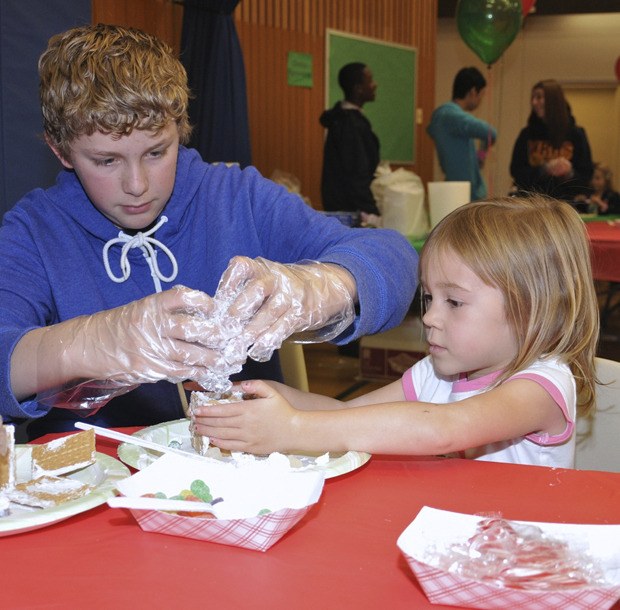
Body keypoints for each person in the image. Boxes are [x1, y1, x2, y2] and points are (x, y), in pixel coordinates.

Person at [0, 24, 419, 440]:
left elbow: (393, 256)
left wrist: (324, 285)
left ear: (179, 127)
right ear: (61, 151)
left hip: (240, 471)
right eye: (106, 161)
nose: (137, 184)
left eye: (156, 152)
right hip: (95, 480)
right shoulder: (35, 231)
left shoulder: (237, 198)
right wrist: (93, 342)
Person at [194, 195, 599, 469]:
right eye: (428, 298)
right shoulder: (436, 374)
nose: (428, 318)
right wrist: (273, 397)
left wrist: (292, 429)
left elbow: (441, 431)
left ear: (532, 309)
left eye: (453, 302)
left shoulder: (542, 387)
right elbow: (346, 415)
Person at [510, 79, 593, 202]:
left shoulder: (576, 134)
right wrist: (544, 169)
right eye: (533, 98)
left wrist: (569, 172)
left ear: (553, 100)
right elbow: (516, 171)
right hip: (532, 203)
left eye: (539, 97)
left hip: (565, 204)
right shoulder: (527, 134)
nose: (534, 102)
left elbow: (586, 175)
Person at [319, 62, 381, 222]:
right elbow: (356, 173)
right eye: (370, 81)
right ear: (358, 88)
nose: (375, 85)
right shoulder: (350, 125)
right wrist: (371, 211)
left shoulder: (344, 120)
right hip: (351, 212)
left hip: (345, 207)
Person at [427, 67, 497, 201]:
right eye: (481, 95)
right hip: (468, 193)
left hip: (452, 188)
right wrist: (481, 155)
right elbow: (491, 132)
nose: (480, 100)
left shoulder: (439, 117)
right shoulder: (455, 117)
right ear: (473, 91)